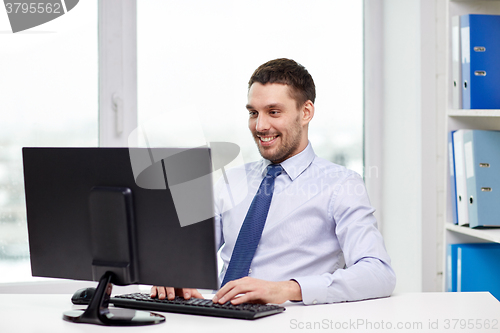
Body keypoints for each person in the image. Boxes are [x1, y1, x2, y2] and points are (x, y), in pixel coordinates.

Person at [151, 58, 396, 305]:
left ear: (306, 112)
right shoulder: (231, 181)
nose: (260, 126)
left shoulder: (341, 185)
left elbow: (378, 272)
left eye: (274, 112)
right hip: (220, 318)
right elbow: (190, 257)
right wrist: (174, 275)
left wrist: (287, 290)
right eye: (253, 113)